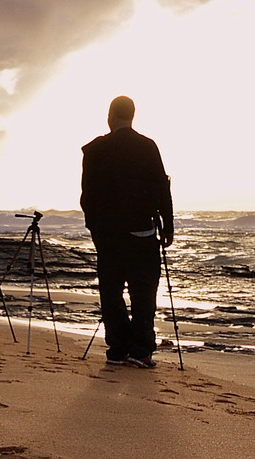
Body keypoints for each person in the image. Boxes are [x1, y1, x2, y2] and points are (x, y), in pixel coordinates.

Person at [80, 96, 174, 368]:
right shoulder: (147, 147)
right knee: (143, 293)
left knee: (111, 293)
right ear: (132, 116)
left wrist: (94, 229)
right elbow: (161, 189)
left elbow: (87, 197)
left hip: (108, 233)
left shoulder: (95, 150)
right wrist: (168, 227)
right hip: (141, 231)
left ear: (110, 116)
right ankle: (140, 350)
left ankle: (118, 348)